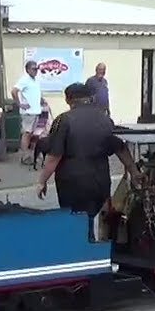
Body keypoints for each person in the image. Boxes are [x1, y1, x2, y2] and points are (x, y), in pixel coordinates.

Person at [35, 83, 139, 217]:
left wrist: (42, 181)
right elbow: (121, 149)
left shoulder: (63, 120)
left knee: (74, 220)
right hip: (100, 179)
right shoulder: (105, 119)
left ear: (68, 100)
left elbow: (54, 156)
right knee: (99, 218)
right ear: (90, 98)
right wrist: (134, 172)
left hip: (72, 180)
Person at [13, 60, 46, 165]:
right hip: (28, 112)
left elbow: (34, 93)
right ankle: (25, 156)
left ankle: (31, 155)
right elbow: (14, 91)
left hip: (36, 110)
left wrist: (41, 99)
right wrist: (19, 104)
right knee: (27, 134)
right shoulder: (24, 80)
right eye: (33, 69)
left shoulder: (35, 80)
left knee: (33, 134)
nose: (35, 71)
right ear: (27, 70)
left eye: (36, 69)